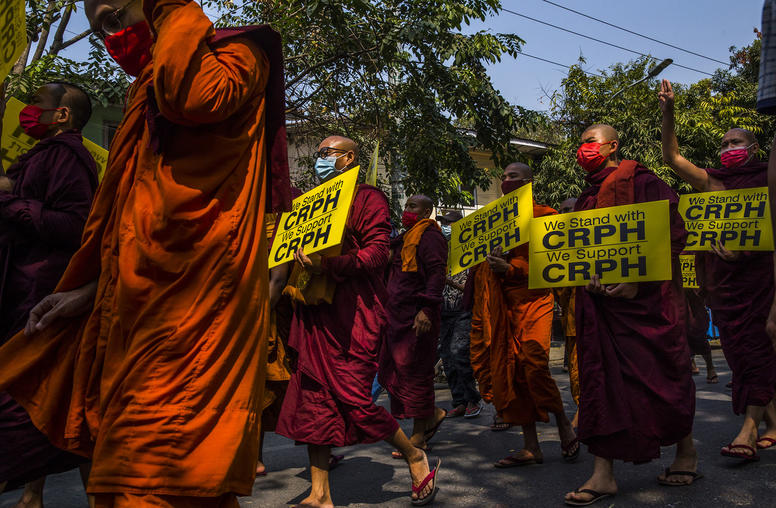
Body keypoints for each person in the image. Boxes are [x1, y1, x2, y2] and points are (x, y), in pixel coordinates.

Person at [0, 0, 293, 505]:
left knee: (156, 481)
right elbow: (134, 224)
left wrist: (174, 10)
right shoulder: (145, 88)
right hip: (131, 316)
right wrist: (88, 291)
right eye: (101, 30)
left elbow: (194, 98)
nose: (113, 38)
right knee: (130, 482)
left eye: (117, 18)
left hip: (195, 315)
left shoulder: (239, 55)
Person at [276, 136, 440, 508]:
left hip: (354, 315)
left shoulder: (368, 197)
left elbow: (378, 253)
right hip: (316, 311)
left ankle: (415, 456)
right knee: (314, 401)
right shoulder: (314, 205)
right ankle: (319, 494)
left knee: (354, 399)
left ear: (348, 159)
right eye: (318, 154)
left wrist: (329, 265)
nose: (318, 159)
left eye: (325, 154)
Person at [564, 123, 699, 506]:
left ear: (612, 146)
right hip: (601, 306)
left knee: (663, 377)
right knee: (599, 384)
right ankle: (602, 474)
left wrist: (638, 281)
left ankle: (685, 451)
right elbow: (582, 252)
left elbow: (674, 232)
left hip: (645, 304)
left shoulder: (641, 181)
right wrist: (584, 278)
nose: (583, 149)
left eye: (590, 142)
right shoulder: (586, 198)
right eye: (581, 143)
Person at [661, 80, 776, 458]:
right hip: (725, 290)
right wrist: (669, 112)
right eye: (724, 144)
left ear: (754, 150)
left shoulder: (768, 182)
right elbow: (672, 160)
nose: (728, 149)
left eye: (736, 143)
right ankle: (772, 424)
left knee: (758, 352)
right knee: (741, 356)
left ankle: (746, 432)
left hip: (763, 284)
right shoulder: (714, 183)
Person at [0, 82, 98, 506]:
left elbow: (74, 226)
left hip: (40, 299)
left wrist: (10, 200)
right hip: (19, 294)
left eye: (36, 102)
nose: (26, 109)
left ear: (61, 115)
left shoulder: (66, 157)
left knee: (23, 415)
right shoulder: (39, 157)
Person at [469, 162, 579, 469]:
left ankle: (563, 424)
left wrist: (513, 268)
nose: (505, 181)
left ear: (528, 182)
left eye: (513, 177)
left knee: (534, 366)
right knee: (511, 372)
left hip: (535, 301)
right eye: (503, 177)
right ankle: (531, 446)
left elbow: (555, 267)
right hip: (503, 306)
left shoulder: (546, 217)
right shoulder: (493, 222)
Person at [380, 195, 448, 458]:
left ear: (427, 211)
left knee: (417, 372)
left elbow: (436, 274)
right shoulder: (404, 238)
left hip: (418, 316)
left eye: (413, 206)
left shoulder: (430, 237)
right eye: (406, 206)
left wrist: (427, 309)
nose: (406, 210)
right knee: (398, 372)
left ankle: (419, 435)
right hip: (396, 316)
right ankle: (432, 415)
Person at [436, 210, 481, 419]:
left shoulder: (470, 252)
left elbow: (473, 288)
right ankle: (459, 401)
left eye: (449, 223)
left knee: (458, 353)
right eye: (443, 222)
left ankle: (473, 399)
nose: (446, 226)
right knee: (446, 357)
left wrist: (450, 282)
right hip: (444, 310)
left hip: (463, 310)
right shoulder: (441, 250)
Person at [552, 197, 580, 429]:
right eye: (561, 211)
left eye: (569, 210)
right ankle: (583, 408)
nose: (563, 214)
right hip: (570, 317)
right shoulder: (555, 244)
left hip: (595, 316)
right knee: (576, 369)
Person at [684, 284, 718, 384]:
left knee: (697, 328)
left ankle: (710, 367)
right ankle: (691, 362)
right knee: (679, 327)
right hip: (675, 287)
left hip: (693, 290)